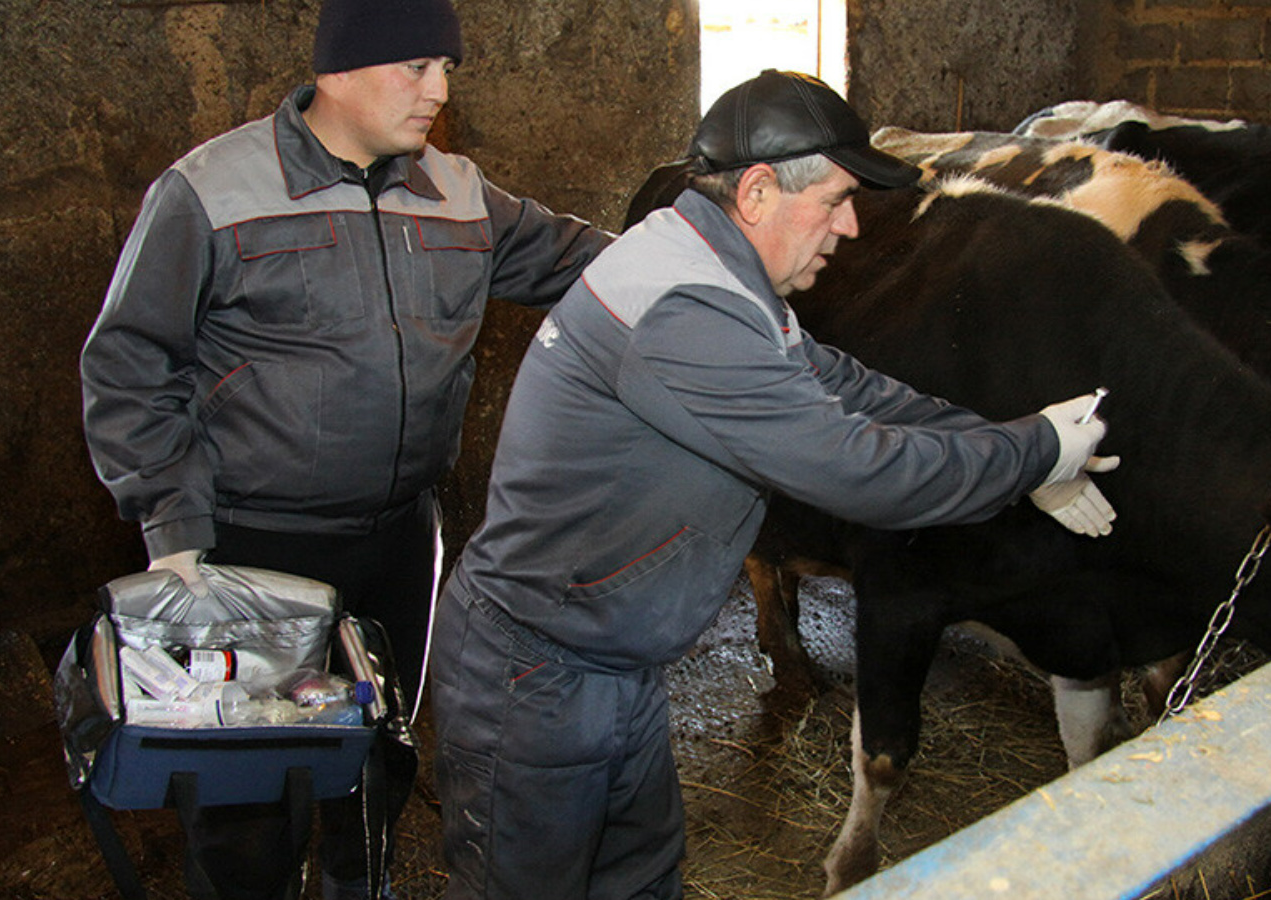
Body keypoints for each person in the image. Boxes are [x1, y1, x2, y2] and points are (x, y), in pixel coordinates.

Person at [429, 69, 1118, 900]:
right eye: (833, 200)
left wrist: (1003, 444)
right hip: (537, 673)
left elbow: (850, 385)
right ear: (756, 191)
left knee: (640, 882)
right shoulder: (687, 310)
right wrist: (1035, 452)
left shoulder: (719, 272)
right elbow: (857, 466)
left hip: (610, 655)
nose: (851, 225)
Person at [78, 0, 612, 895]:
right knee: (247, 785)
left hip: (402, 537)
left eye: (448, 70)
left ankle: (358, 880)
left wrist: (711, 251)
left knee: (383, 740)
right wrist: (174, 527)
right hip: (253, 547)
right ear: (336, 73)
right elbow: (130, 362)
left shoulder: (458, 192)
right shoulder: (212, 190)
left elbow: (587, 262)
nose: (438, 93)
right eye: (416, 68)